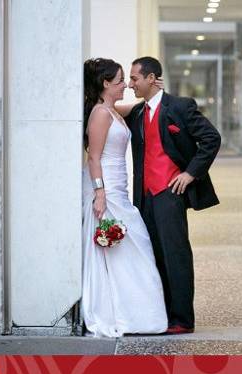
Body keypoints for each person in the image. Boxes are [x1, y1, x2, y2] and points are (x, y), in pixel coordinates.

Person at [118, 57, 221, 334]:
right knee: (154, 256)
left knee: (175, 255)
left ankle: (182, 320)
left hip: (169, 193)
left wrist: (190, 173)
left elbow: (212, 138)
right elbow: (109, 107)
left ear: (151, 78)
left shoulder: (180, 106)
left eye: (135, 78)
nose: (130, 84)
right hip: (144, 197)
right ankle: (161, 314)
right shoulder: (139, 113)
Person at [81, 58, 167, 337]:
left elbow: (142, 107)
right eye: (120, 81)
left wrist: (155, 91)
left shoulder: (113, 111)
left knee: (133, 247)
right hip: (106, 190)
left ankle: (137, 314)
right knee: (122, 249)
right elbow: (93, 157)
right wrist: (99, 193)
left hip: (120, 189)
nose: (126, 86)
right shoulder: (101, 114)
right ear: (106, 84)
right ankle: (124, 314)